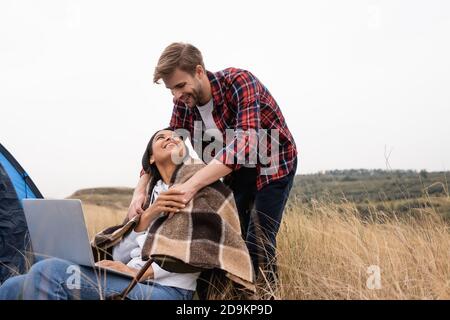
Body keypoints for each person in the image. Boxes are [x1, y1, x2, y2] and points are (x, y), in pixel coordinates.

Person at [128, 43, 298, 287]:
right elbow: (170, 142)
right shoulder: (183, 104)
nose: (176, 96)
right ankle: (231, 294)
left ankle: (266, 296)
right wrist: (141, 187)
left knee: (259, 239)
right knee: (228, 238)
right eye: (170, 90)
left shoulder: (240, 82)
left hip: (273, 164)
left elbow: (244, 144)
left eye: (179, 86)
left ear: (199, 71)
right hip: (236, 173)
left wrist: (190, 187)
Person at [0, 129, 215, 300]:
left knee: (50, 273)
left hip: (167, 289)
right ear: (150, 158)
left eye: (176, 137)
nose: (170, 138)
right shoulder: (148, 198)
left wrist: (139, 273)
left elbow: (206, 249)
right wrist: (148, 216)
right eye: (161, 137)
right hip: (127, 279)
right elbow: (120, 257)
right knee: (11, 286)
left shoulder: (200, 187)